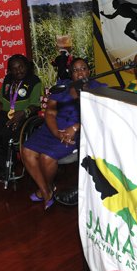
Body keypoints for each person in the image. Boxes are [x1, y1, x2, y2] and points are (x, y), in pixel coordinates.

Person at [21, 58, 106, 210]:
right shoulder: (62, 87)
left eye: (84, 68)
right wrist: (55, 133)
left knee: (47, 157)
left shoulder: (99, 88)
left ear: (89, 71)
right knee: (26, 151)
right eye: (76, 70)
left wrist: (75, 128)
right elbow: (50, 112)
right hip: (53, 127)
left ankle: (44, 191)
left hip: (79, 130)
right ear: (70, 73)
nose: (80, 73)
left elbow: (101, 115)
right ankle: (47, 191)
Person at [0, 54, 42, 178]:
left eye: (21, 67)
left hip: (26, 116)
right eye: (14, 69)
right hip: (7, 115)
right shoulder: (7, 80)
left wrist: (23, 113)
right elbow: (1, 103)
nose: (18, 71)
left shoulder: (34, 81)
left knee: (6, 133)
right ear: (10, 70)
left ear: (26, 66)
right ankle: (4, 163)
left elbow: (36, 105)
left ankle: (9, 164)